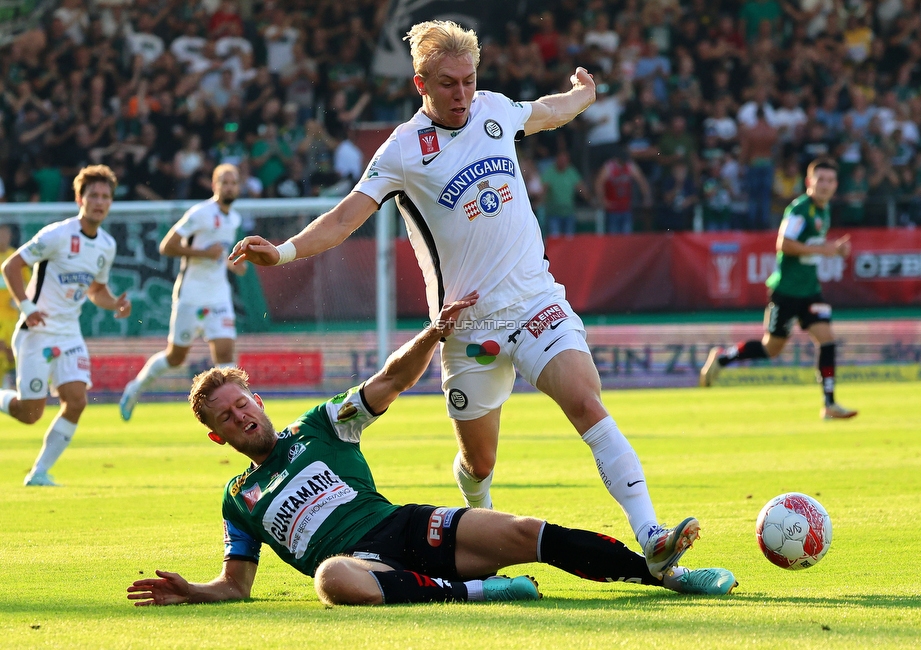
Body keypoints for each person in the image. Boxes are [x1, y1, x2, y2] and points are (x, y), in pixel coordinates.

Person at [231, 20, 701, 580]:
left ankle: (651, 534)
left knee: (586, 403)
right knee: (479, 461)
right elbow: (345, 218)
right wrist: (282, 253)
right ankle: (482, 526)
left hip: (534, 302)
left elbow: (546, 112)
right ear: (420, 84)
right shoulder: (403, 151)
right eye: (449, 84)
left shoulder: (494, 110)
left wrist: (583, 95)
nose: (462, 94)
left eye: (469, 80)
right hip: (467, 327)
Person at [126, 294, 737, 608]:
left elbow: (388, 382)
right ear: (219, 437)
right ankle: (477, 594)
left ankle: (661, 572)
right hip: (365, 567)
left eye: (243, 403)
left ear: (256, 400)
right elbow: (237, 585)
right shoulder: (239, 502)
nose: (242, 416)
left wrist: (432, 333)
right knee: (330, 576)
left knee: (527, 532)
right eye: (227, 418)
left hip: (405, 526)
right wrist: (193, 591)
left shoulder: (320, 425)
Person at [0, 165, 132, 486]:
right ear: (79, 198)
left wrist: (115, 302)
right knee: (30, 414)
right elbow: (11, 265)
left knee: (76, 401)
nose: (99, 202)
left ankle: (39, 473)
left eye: (105, 197)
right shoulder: (57, 235)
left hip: (69, 332)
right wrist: (28, 308)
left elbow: (96, 290)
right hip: (37, 330)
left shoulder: (106, 246)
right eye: (93, 195)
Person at [699, 157, 858, 420]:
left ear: (836, 185)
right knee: (771, 348)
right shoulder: (799, 209)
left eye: (830, 181)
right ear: (809, 182)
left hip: (810, 291)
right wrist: (824, 250)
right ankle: (722, 357)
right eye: (821, 180)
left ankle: (829, 404)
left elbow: (813, 246)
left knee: (827, 339)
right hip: (786, 291)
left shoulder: (823, 210)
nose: (825, 185)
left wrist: (835, 250)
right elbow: (783, 244)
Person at [119, 164, 246, 421]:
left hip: (219, 296)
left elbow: (223, 256)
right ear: (214, 185)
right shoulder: (200, 213)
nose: (230, 186)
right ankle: (135, 389)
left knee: (225, 355)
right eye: (225, 182)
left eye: (234, 182)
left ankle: (233, 416)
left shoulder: (234, 219)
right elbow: (167, 246)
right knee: (175, 357)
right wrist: (203, 253)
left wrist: (236, 264)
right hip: (190, 295)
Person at [0, 223, 29, 388]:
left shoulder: (15, 258)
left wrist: (19, 295)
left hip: (12, 316)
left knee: (11, 354)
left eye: (6, 234)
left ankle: (13, 384)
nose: (3, 238)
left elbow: (28, 282)